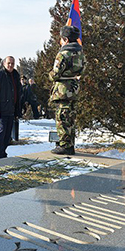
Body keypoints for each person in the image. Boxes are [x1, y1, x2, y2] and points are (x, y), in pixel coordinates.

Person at [49, 26, 84, 155]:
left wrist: (50, 75)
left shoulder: (63, 54)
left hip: (63, 90)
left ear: (66, 39)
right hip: (74, 89)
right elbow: (83, 70)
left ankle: (65, 145)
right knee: (71, 117)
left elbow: (56, 73)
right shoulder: (80, 53)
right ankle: (70, 143)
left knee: (62, 117)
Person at [0, 56, 21, 158]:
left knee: (8, 135)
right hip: (1, 110)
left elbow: (18, 92)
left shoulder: (15, 75)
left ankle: (3, 153)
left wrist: (18, 110)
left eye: (12, 63)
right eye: (8, 63)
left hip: (11, 109)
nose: (10, 65)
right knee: (1, 133)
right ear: (4, 63)